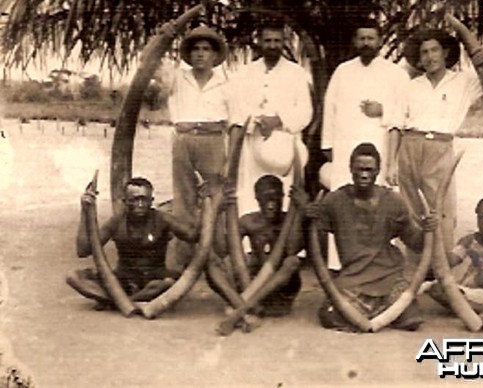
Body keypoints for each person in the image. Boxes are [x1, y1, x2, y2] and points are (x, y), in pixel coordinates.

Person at [387, 27, 483, 256]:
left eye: (434, 51)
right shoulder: (411, 86)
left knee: (443, 211)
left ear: (445, 53)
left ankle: (443, 269)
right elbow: (395, 125)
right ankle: (416, 266)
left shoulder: (464, 81)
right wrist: (391, 163)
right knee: (410, 212)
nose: (429, 57)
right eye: (424, 53)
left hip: (440, 148)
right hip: (409, 145)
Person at [305, 143, 438, 332]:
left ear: (378, 171)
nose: (364, 175)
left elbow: (414, 242)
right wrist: (309, 219)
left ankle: (374, 312)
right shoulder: (334, 201)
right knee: (329, 315)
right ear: (351, 169)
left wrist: (428, 230)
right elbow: (316, 245)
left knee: (411, 321)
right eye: (359, 169)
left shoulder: (393, 201)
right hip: (353, 280)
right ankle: (375, 312)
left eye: (369, 170)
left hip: (390, 276)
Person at [151, 24, 233, 267]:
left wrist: (230, 159)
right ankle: (182, 260)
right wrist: (161, 35)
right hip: (184, 140)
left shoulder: (226, 82)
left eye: (206, 49)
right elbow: (148, 62)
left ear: (215, 55)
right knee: (183, 201)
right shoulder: (176, 77)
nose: (200, 53)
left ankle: (216, 258)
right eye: (195, 48)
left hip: (213, 140)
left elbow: (235, 121)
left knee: (215, 199)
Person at [66, 177, 207, 309]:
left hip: (154, 278)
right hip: (123, 279)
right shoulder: (116, 222)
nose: (140, 204)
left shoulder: (162, 219)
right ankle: (132, 302)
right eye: (134, 200)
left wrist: (203, 205)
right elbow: (83, 250)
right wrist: (85, 211)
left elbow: (192, 236)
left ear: (151, 201)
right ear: (125, 201)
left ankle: (118, 302)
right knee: (74, 277)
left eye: (144, 200)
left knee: (167, 283)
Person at [229, 21, 312, 216]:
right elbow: (237, 109)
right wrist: (257, 121)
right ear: (259, 42)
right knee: (249, 197)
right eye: (268, 41)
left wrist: (277, 121)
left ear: (284, 42)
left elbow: (306, 112)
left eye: (277, 41)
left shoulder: (296, 73)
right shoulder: (246, 72)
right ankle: (250, 245)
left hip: (285, 148)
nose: (272, 45)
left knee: (283, 198)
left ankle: (283, 243)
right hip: (252, 145)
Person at [322, 20, 410, 191]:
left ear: (379, 41)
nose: (366, 43)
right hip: (345, 145)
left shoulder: (396, 74)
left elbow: (406, 112)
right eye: (362, 38)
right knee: (344, 191)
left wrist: (383, 110)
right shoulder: (342, 71)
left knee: (378, 194)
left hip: (380, 143)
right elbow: (329, 110)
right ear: (355, 41)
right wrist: (327, 145)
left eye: (371, 38)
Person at [208, 175, 303, 317]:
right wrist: (217, 212)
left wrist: (299, 211)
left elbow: (292, 249)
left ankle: (242, 306)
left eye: (275, 198)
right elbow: (223, 250)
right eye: (266, 199)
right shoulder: (248, 222)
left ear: (283, 197)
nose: (271, 205)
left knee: (292, 262)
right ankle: (249, 305)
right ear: (257, 199)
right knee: (212, 264)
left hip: (280, 288)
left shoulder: (289, 220)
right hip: (251, 283)